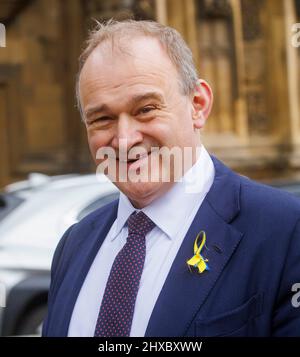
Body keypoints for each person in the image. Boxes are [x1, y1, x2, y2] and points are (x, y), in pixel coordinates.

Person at [42, 20, 300, 337]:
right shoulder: (74, 244)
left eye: (146, 109)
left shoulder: (286, 230)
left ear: (198, 105)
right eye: (103, 118)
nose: (124, 140)